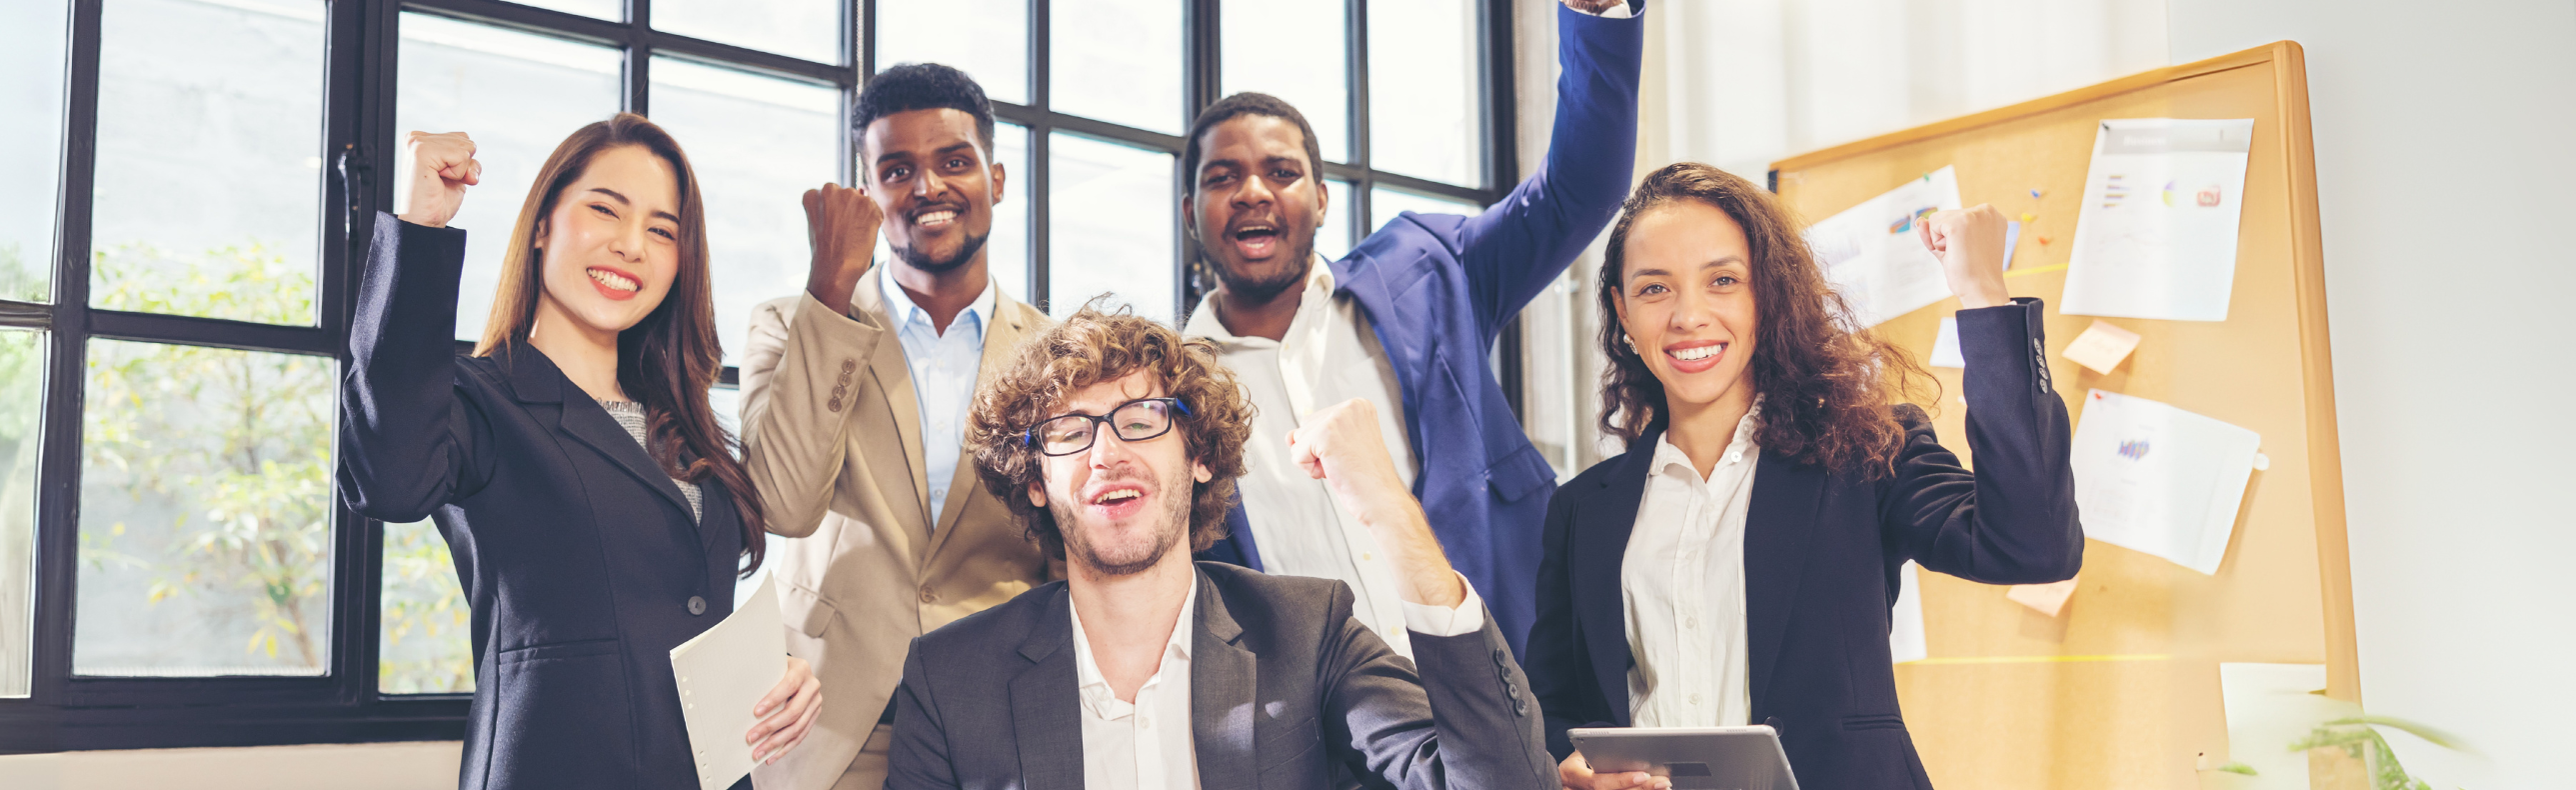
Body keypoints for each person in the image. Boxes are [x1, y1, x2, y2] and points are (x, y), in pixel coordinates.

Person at [1526, 163, 2083, 790]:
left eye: (1723, 281)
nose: (1688, 316)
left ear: (1768, 295)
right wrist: (1566, 771)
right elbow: (1553, 708)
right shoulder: (1582, 511)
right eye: (1655, 289)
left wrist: (1984, 296)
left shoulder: (1863, 454)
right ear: (1623, 313)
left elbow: (2033, 544)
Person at [338, 115, 823, 790]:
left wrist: (774, 672)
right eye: (605, 210)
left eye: (661, 229)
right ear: (543, 224)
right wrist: (421, 231)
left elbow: (679, 610)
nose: (631, 246)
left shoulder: (679, 423)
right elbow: (387, 479)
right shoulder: (482, 400)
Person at [884, 307, 1555, 790]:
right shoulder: (949, 679)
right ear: (1035, 480)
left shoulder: (1308, 632)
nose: (1106, 454)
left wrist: (1391, 513)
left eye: (1139, 421)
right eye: (1069, 432)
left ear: (1199, 454)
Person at [1180, 0, 1645, 657]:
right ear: (1190, 215)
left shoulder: (1430, 273)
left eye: (1282, 173)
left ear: (1320, 198)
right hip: (1330, 741)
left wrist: (1596, 14)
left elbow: (1579, 189)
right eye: (1222, 178)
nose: (1254, 191)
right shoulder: (1173, 395)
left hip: (1510, 683)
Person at [741, 63, 1056, 790]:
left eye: (954, 162)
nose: (927, 188)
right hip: (827, 724)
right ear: (867, 192)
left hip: (999, 722)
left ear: (996, 179)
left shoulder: (1056, 353)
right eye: (896, 169)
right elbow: (783, 506)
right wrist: (829, 289)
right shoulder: (791, 324)